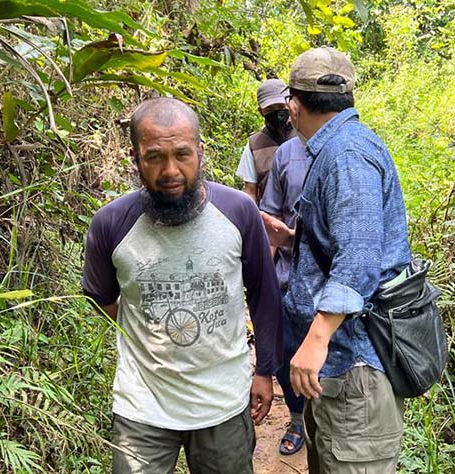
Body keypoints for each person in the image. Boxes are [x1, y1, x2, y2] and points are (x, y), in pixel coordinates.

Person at [82, 97, 282, 474]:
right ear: (135, 158)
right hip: (141, 409)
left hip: (222, 404)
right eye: (154, 156)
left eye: (182, 154)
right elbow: (103, 298)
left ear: (200, 152)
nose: (170, 170)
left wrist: (264, 371)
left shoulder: (239, 212)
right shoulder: (110, 224)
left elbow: (264, 295)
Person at [284, 47, 412, 473]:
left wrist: (316, 337)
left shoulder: (346, 155)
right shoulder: (342, 147)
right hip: (340, 371)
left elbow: (358, 258)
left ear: (293, 106)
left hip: (354, 366)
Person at [258, 136, 310, 455]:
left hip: (328, 283)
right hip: (286, 276)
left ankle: (322, 420)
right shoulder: (286, 155)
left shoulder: (350, 152)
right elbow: (271, 218)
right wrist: (263, 275)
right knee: (283, 354)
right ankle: (298, 419)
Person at [235, 78, 295, 204]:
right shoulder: (254, 144)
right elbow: (250, 191)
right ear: (261, 112)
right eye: (269, 109)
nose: (276, 113)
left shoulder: (304, 134)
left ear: (290, 103)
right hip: (269, 219)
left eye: (280, 106)